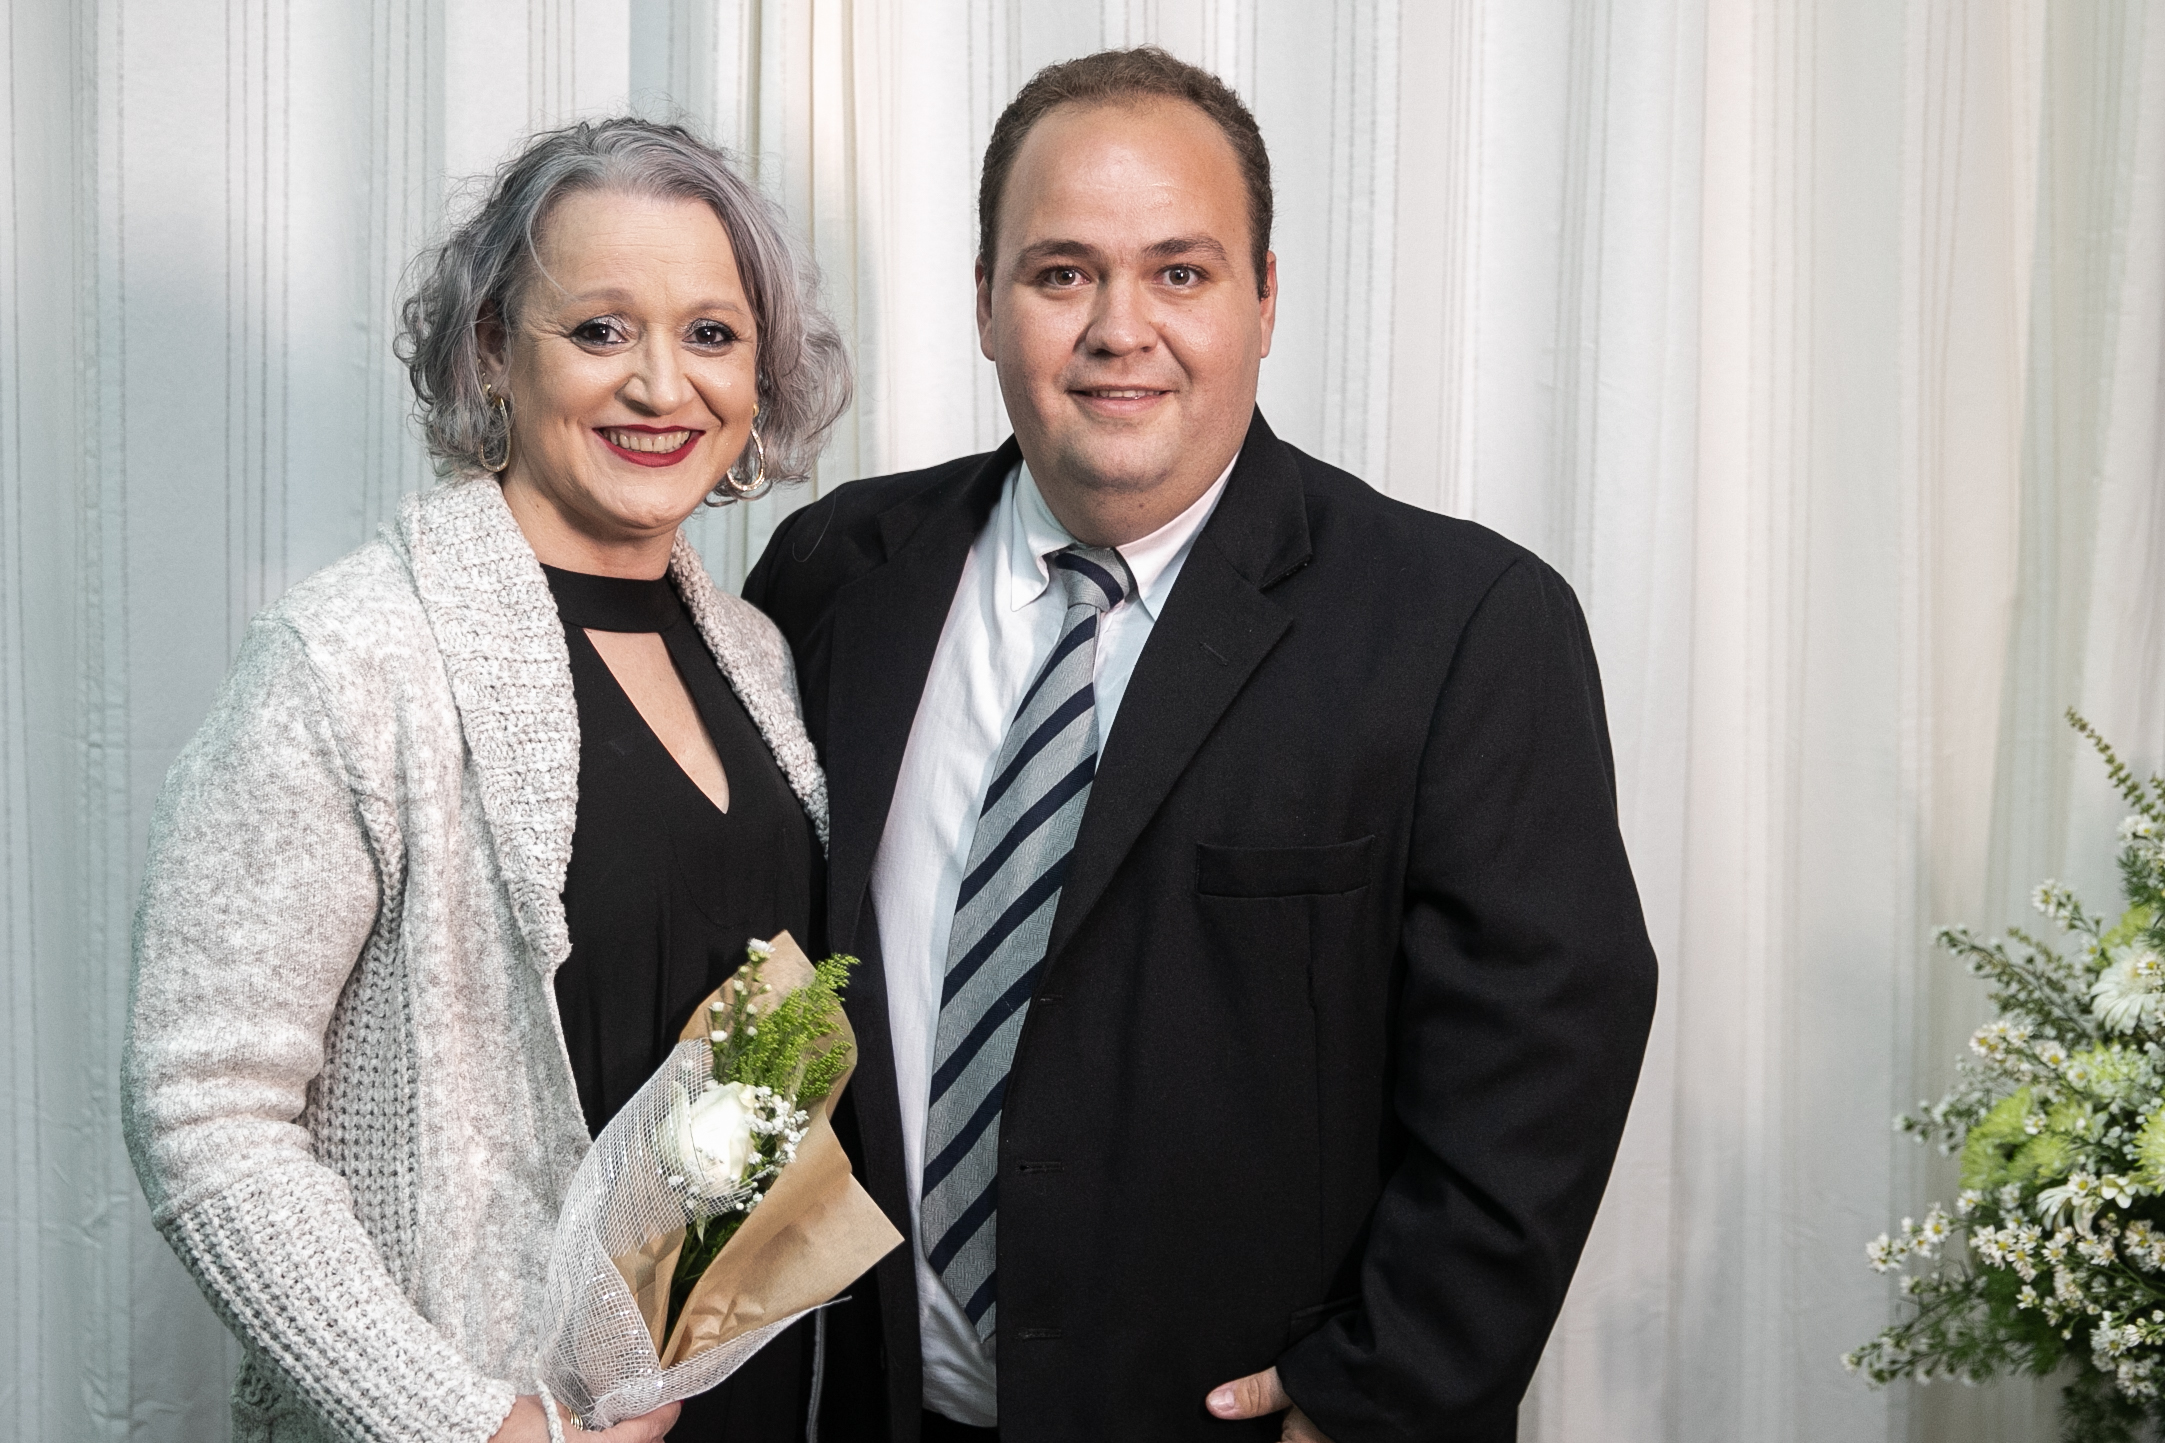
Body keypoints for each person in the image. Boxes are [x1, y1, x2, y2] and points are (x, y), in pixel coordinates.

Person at [742, 47, 1659, 1443]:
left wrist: (1375, 1400)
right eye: (1061, 273)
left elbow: (1544, 1066)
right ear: (983, 303)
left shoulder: (1463, 625)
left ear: (1264, 298)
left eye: (1180, 272)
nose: (1121, 329)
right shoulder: (833, 575)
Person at [123, 119, 850, 1443]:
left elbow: (769, 1054)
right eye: (600, 330)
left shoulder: (756, 654)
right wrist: (480, 1426)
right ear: (492, 350)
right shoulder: (350, 658)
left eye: (710, 334)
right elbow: (204, 1109)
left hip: (731, 1402)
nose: (661, 385)